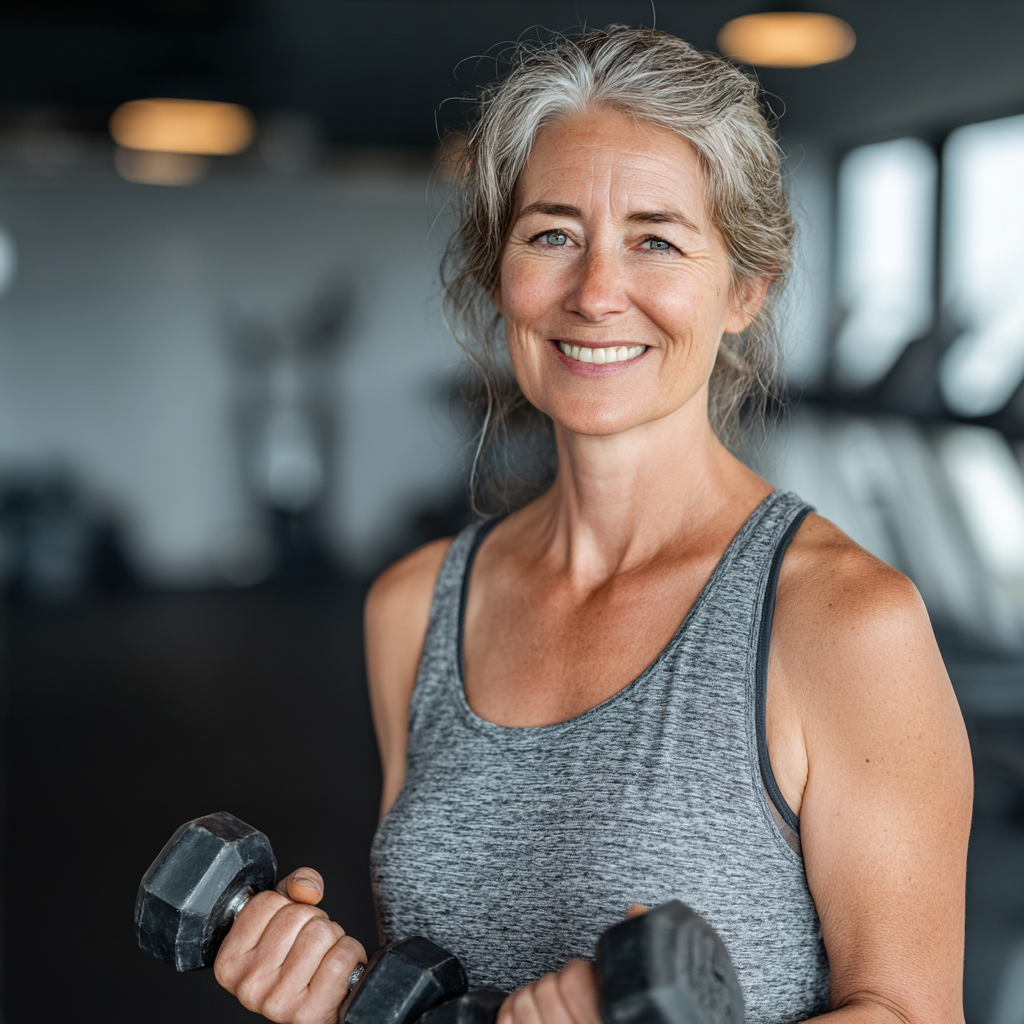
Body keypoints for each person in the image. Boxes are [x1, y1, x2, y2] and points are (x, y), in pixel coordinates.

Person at [213, 26, 973, 1024]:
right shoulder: (416, 605)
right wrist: (336, 999)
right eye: (552, 235)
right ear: (498, 274)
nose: (596, 293)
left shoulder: (846, 621)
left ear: (743, 289)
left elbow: (913, 1011)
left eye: (655, 239)